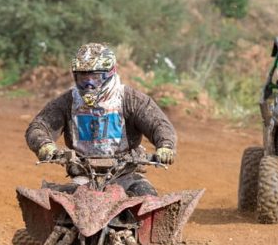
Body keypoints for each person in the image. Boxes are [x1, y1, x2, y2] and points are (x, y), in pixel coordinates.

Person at [25, 43, 177, 196]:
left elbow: (159, 124)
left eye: (95, 78)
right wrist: (44, 145)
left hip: (126, 175)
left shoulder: (131, 99)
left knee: (147, 198)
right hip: (83, 176)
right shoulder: (69, 101)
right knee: (56, 202)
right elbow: (39, 126)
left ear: (110, 74)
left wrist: (165, 146)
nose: (89, 85)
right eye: (83, 78)